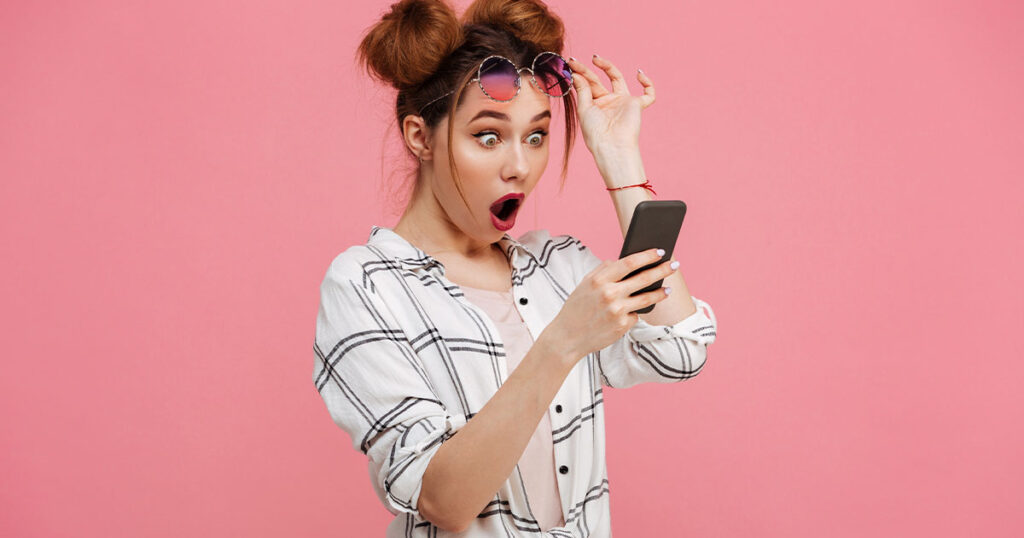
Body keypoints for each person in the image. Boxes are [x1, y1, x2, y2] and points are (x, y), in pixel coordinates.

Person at [312, 0, 719, 535]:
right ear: (420, 137)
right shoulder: (367, 285)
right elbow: (444, 500)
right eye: (488, 136)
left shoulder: (555, 265)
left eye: (536, 135)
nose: (520, 166)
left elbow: (681, 349)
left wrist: (620, 158)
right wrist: (563, 342)